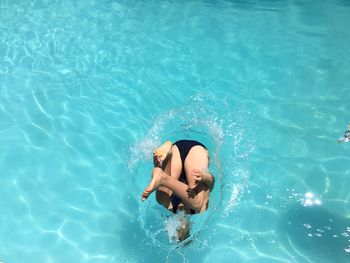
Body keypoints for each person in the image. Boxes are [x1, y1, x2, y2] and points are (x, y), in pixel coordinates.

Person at [141, 140, 215, 241]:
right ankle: (162, 177)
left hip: (175, 153)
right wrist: (204, 177)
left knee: (161, 200)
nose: (178, 226)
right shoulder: (199, 210)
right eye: (179, 229)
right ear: (188, 226)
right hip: (196, 152)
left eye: (174, 229)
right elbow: (211, 183)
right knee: (197, 204)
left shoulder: (171, 207)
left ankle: (164, 162)